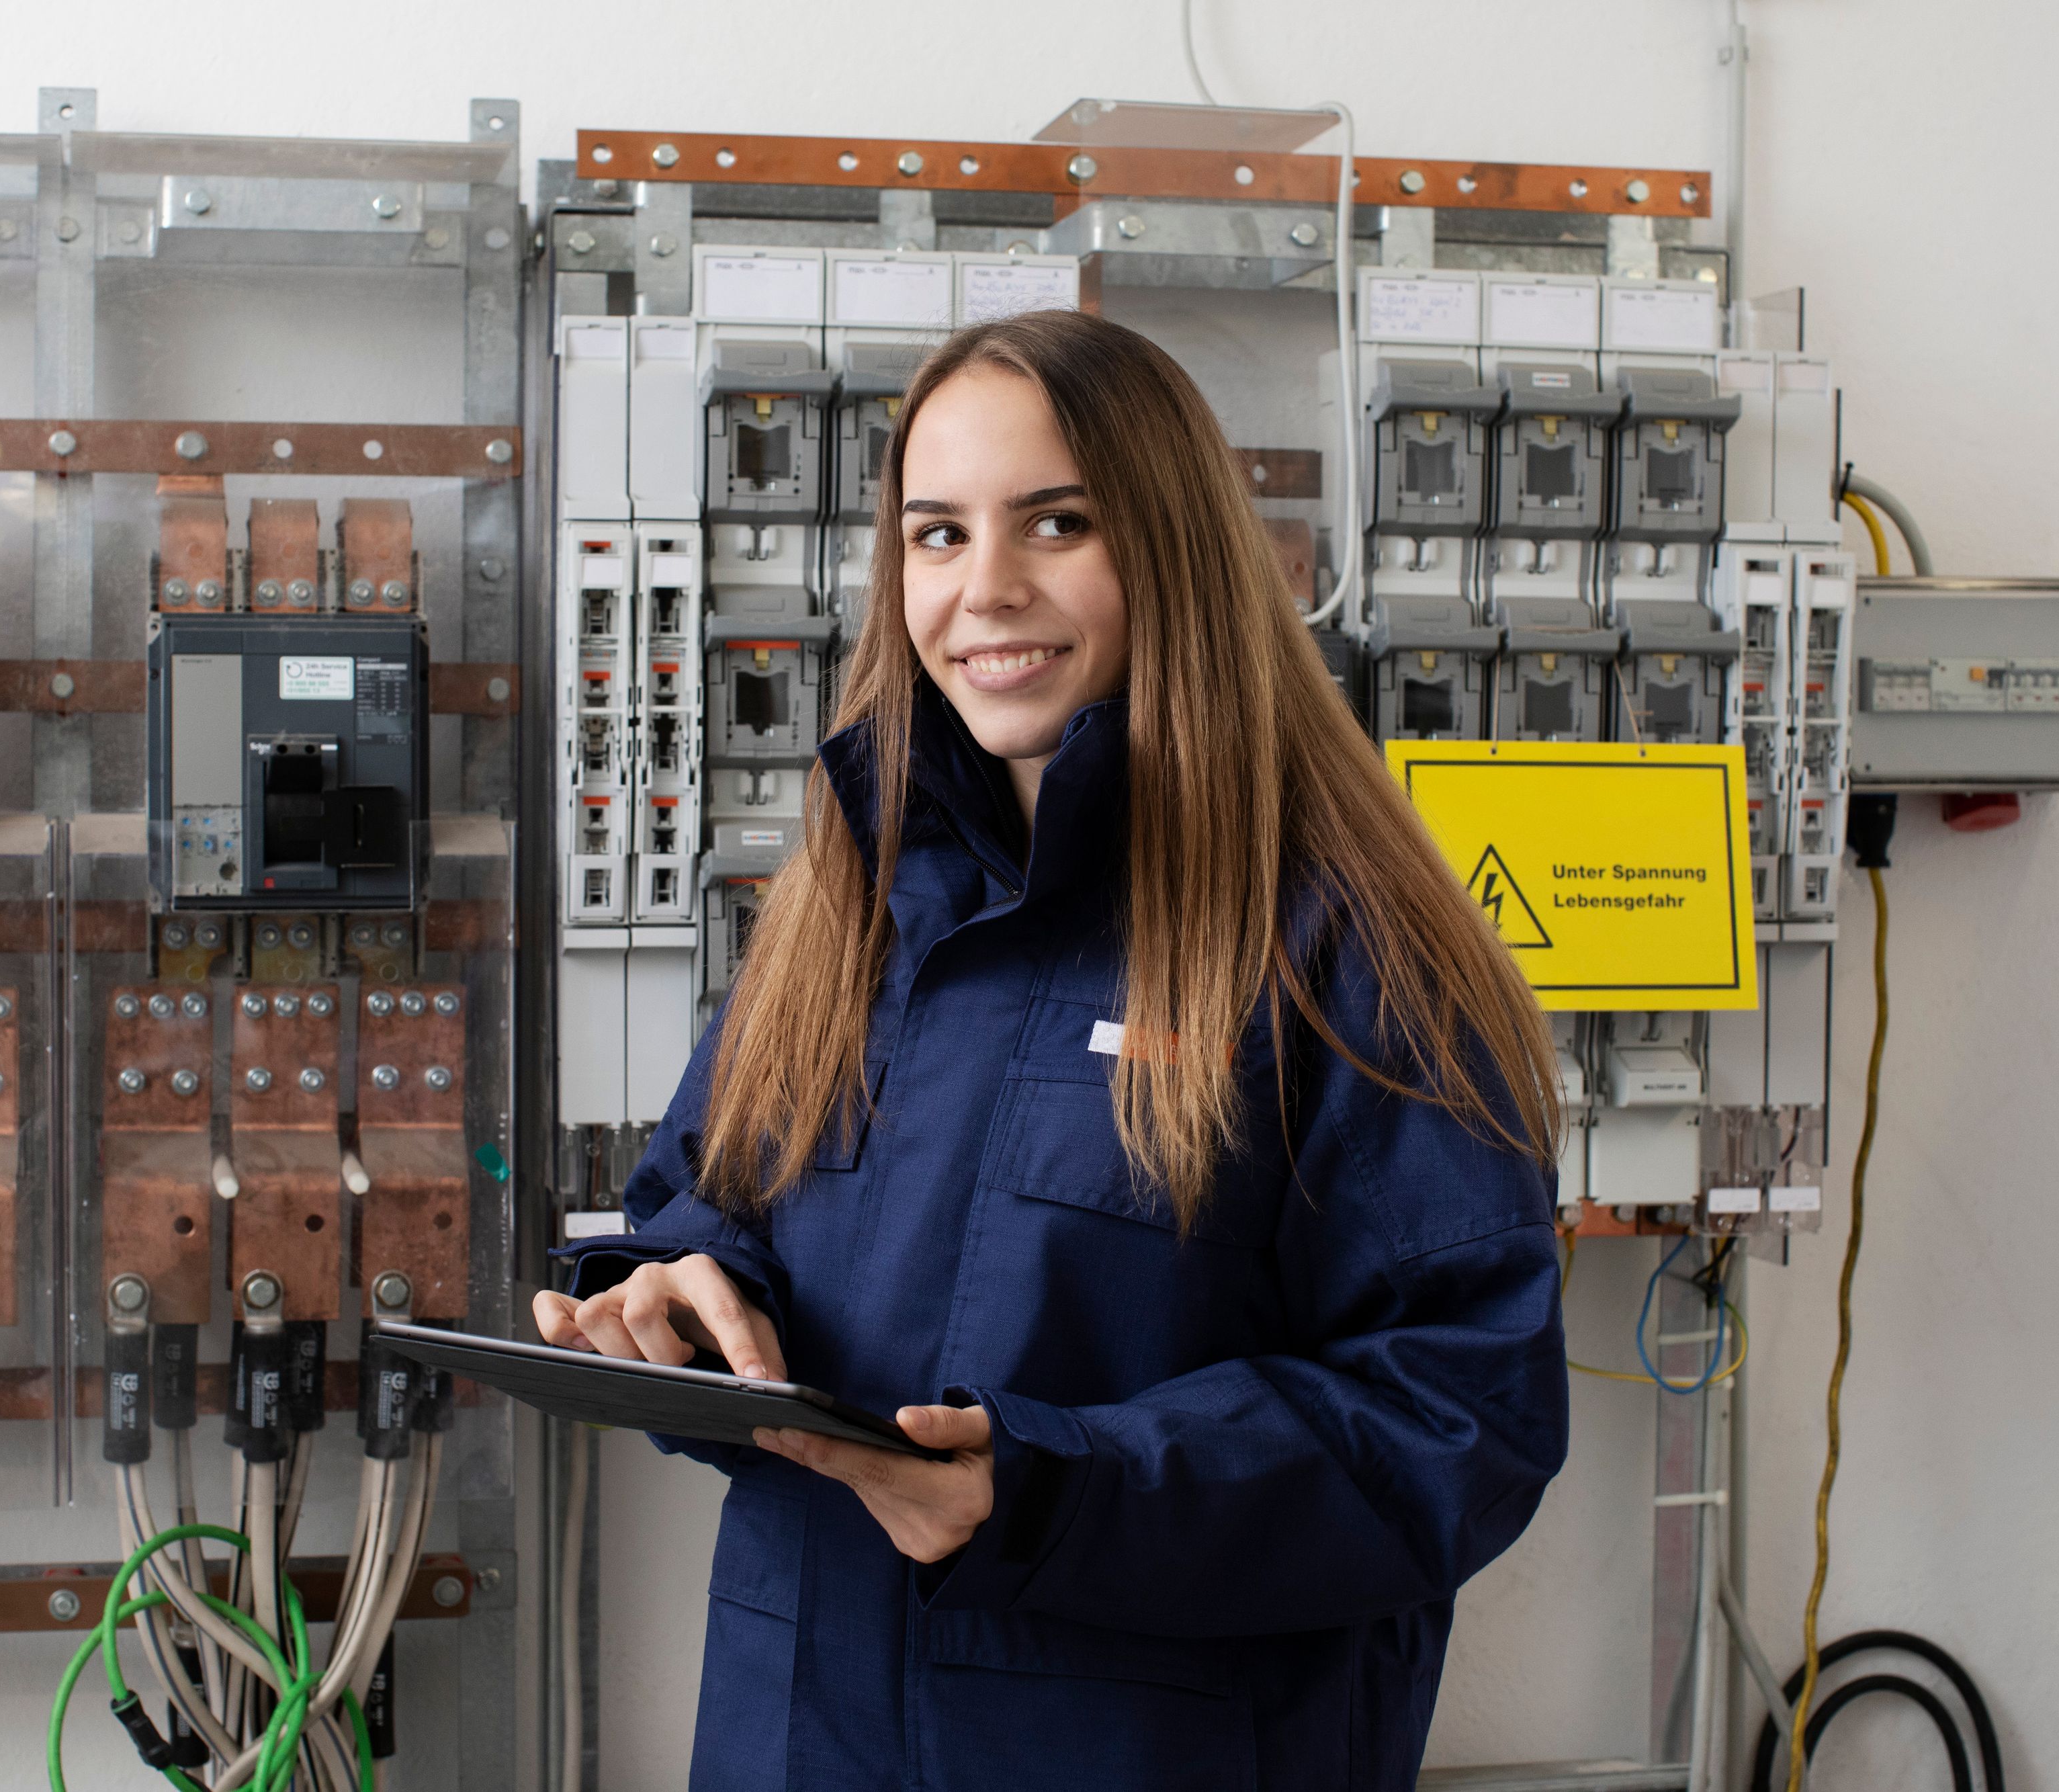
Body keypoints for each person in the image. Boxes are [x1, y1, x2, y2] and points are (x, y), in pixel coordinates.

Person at [540, 308, 1568, 1790]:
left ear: (1175, 551)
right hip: (798, 1737)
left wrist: (1052, 1493)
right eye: (937, 535)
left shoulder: (1341, 942)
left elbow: (1460, 1414)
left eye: (1057, 523)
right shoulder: (840, 910)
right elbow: (704, 1205)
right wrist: (675, 1301)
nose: (986, 589)